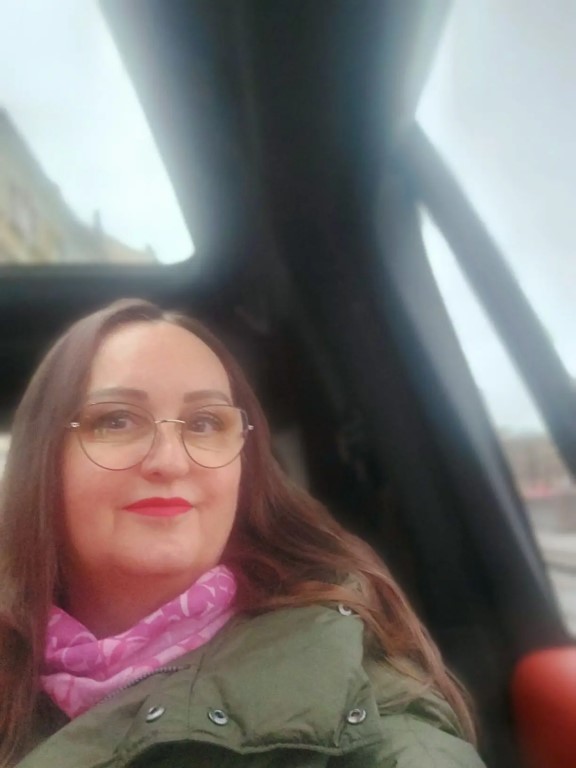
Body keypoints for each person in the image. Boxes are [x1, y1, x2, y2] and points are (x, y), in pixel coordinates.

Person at [0, 298, 486, 767]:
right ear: (43, 460)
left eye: (205, 422)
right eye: (117, 420)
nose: (170, 460)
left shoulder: (374, 721)